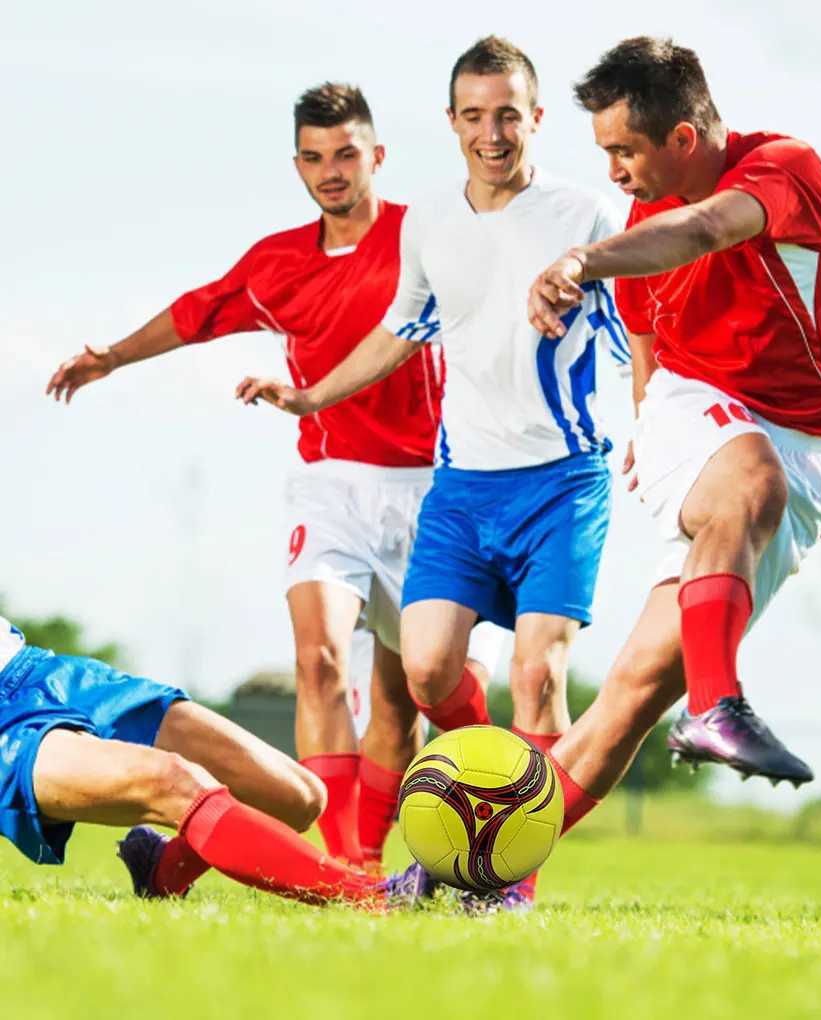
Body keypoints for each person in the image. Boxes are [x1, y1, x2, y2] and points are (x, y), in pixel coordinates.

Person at [44, 82, 503, 869]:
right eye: (315, 157)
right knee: (318, 658)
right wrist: (111, 356)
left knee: (402, 700)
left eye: (347, 154)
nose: (331, 171)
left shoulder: (423, 235)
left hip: (433, 487)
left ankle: (373, 851)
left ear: (377, 157)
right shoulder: (277, 263)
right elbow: (199, 311)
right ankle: (342, 869)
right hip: (329, 483)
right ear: (298, 165)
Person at [236, 37, 628, 908]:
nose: (493, 133)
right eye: (475, 115)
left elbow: (642, 332)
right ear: (452, 122)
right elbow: (399, 331)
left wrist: (652, 432)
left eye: (509, 115)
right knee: (424, 672)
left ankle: (509, 882)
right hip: (460, 486)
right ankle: (497, 792)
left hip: (564, 481)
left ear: (535, 118)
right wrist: (310, 397)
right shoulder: (429, 224)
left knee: (539, 674)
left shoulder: (587, 214)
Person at [522, 35, 821, 839]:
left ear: (682, 138)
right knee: (750, 481)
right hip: (698, 415)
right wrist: (659, 433)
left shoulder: (783, 169)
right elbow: (647, 347)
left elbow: (708, 229)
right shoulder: (641, 224)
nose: (613, 172)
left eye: (624, 150)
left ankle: (474, 865)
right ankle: (718, 706)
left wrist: (579, 260)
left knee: (629, 699)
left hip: (802, 454)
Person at [0, 612, 415, 907]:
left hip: (36, 671)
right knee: (170, 781)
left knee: (297, 796)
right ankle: (375, 896)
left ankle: (161, 869)